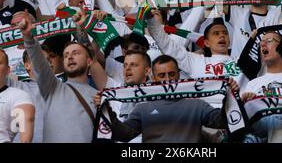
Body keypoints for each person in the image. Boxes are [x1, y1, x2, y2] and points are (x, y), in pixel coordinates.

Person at [94, 55, 235, 143]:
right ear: (153, 78)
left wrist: (230, 98)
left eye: (171, 74)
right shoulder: (142, 108)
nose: (167, 79)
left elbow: (221, 121)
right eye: (162, 75)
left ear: (179, 75)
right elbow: (124, 135)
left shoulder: (197, 105)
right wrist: (108, 111)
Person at [19, 11, 98, 143]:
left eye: (75, 53)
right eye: (66, 55)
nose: (70, 57)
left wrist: (80, 30)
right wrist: (28, 38)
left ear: (89, 61)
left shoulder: (99, 96)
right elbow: (40, 65)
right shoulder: (52, 87)